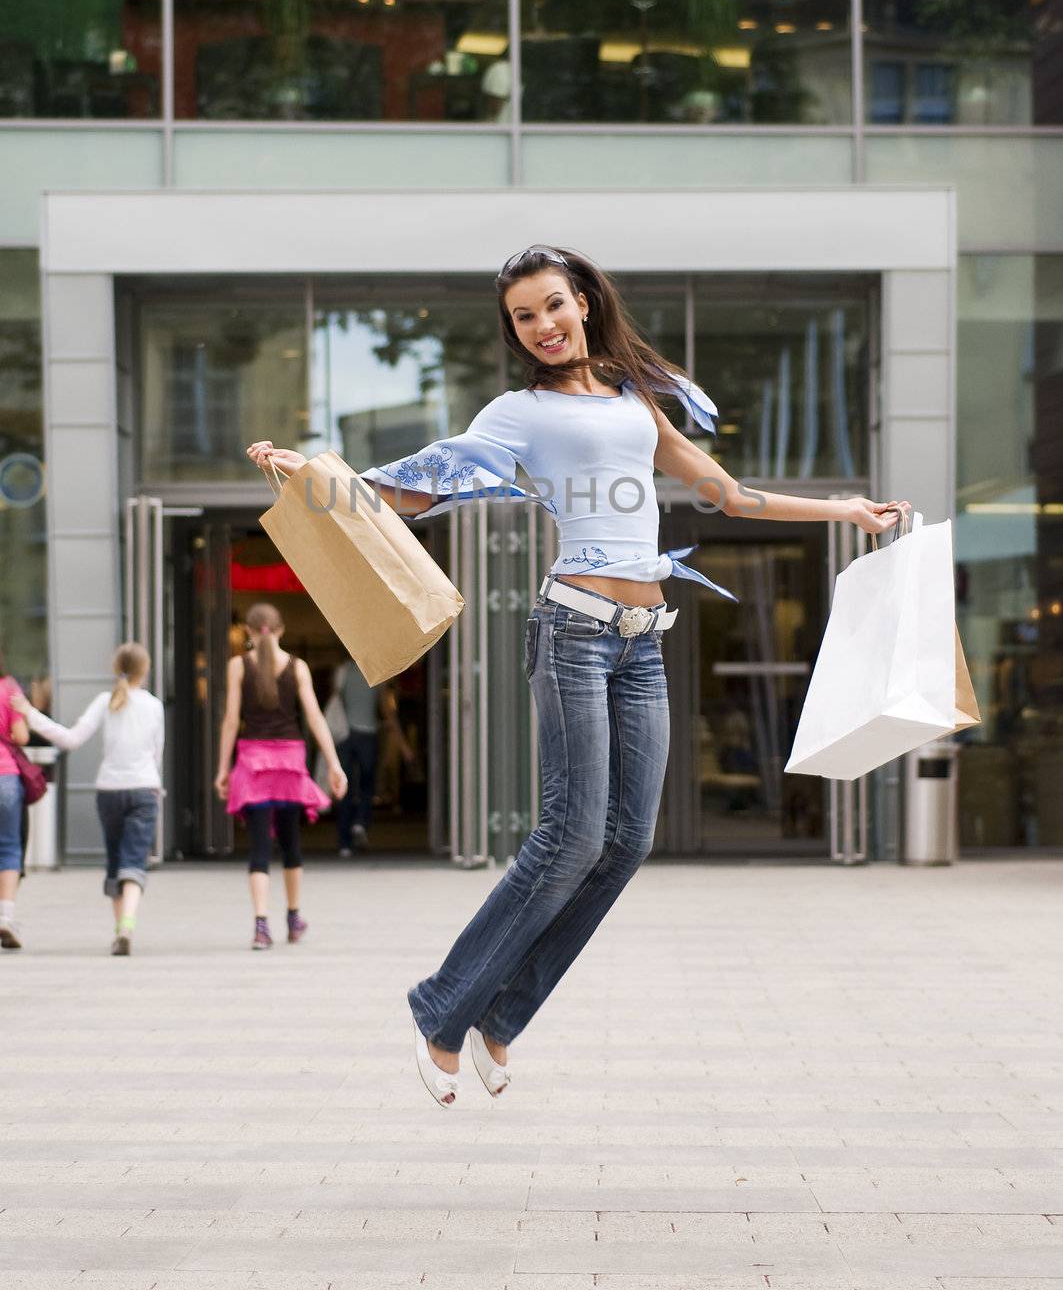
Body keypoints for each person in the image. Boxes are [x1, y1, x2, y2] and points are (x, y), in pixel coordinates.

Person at [247, 244, 908, 1107]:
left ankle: (502, 1014)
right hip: (573, 631)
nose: (542, 326)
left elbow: (728, 494)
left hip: (643, 637)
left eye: (553, 306)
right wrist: (322, 479)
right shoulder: (517, 412)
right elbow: (425, 483)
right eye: (524, 317)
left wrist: (844, 509)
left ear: (584, 303)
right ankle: (445, 1009)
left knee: (626, 841)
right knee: (569, 838)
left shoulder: (638, 398)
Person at [14, 643, 163, 956]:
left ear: (116, 668)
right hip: (144, 788)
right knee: (134, 862)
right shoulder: (153, 706)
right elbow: (156, 753)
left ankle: (117, 929)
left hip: (109, 790)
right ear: (145, 670)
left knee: (115, 861)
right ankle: (127, 927)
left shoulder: (104, 701)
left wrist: (31, 714)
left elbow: (70, 739)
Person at [214, 601, 347, 951]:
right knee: (291, 843)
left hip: (254, 763)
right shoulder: (298, 667)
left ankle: (261, 926)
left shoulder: (237, 666)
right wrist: (333, 763)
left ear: (247, 631)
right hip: (289, 763)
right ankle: (293, 917)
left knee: (258, 847)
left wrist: (222, 768)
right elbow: (315, 717)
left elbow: (230, 720)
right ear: (281, 631)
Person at [327, 660, 412, 855]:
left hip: (345, 737)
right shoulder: (376, 673)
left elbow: (335, 703)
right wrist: (404, 746)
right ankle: (360, 822)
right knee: (367, 785)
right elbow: (387, 712)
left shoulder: (341, 672)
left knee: (344, 788)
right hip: (368, 736)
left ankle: (344, 843)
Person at [0, 650, 31, 950]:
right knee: (9, 847)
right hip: (5, 777)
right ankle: (6, 917)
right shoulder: (8, 687)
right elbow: (21, 736)